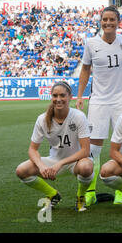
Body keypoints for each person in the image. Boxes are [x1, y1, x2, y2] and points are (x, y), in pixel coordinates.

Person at [76, 5, 122, 207]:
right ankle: (89, 191)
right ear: (100, 21)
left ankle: (121, 190)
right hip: (98, 101)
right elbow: (85, 69)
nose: (108, 23)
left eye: (112, 19)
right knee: (93, 148)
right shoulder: (91, 43)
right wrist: (80, 95)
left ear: (119, 22)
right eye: (104, 19)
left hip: (121, 101)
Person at [15, 81, 94, 212]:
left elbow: (85, 150)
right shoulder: (42, 119)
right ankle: (53, 195)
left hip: (76, 161)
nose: (58, 99)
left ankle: (80, 198)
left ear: (70, 96)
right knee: (21, 170)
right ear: (51, 97)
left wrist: (60, 164)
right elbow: (32, 149)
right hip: (54, 160)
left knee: (87, 167)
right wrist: (41, 166)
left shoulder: (79, 116)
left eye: (62, 95)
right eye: (55, 95)